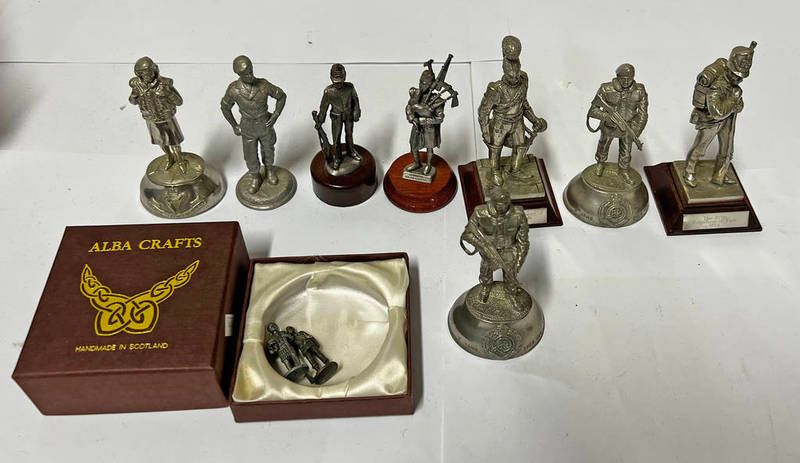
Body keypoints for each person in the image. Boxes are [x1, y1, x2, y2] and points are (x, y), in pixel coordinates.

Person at [478, 35, 547, 186]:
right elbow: (483, 111)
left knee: (521, 146)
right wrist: (485, 131)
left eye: (517, 74)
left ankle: (515, 170)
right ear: (504, 72)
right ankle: (495, 171)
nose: (515, 78)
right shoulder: (496, 89)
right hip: (500, 123)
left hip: (517, 120)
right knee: (495, 148)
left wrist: (534, 119)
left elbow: (524, 104)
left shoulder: (524, 80)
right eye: (511, 75)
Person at [684, 42, 756, 187]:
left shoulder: (735, 88)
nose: (739, 80)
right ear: (730, 70)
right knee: (700, 147)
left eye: (741, 78)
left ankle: (720, 175)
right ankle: (689, 171)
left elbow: (738, 107)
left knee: (726, 149)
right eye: (736, 76)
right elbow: (717, 111)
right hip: (710, 120)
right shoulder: (717, 85)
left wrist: (737, 104)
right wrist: (733, 99)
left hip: (728, 119)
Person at [221, 55, 287, 193]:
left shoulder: (263, 85)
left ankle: (269, 170)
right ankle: (255, 177)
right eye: (246, 73)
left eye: (251, 70)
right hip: (247, 127)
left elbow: (281, 96)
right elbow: (225, 107)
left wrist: (275, 115)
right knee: (250, 155)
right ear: (238, 74)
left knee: (268, 150)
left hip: (265, 124)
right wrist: (234, 125)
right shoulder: (234, 90)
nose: (250, 75)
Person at [460, 188, 529, 304]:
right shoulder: (480, 213)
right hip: (488, 251)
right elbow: (467, 234)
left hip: (509, 250)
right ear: (492, 202)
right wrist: (481, 246)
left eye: (506, 204)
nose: (503, 207)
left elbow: (523, 241)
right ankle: (486, 288)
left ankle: (511, 294)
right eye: (499, 204)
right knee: (486, 272)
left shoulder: (518, 214)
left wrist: (519, 262)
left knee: (511, 275)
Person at [586, 63, 649, 185]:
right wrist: (607, 117)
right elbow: (593, 110)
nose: (627, 81)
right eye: (623, 78)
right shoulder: (606, 89)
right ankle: (600, 163)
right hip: (609, 125)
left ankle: (624, 170)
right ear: (617, 76)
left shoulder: (639, 90)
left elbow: (643, 114)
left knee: (626, 150)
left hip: (629, 126)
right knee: (604, 144)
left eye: (630, 78)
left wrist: (635, 131)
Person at [128, 56, 185, 170]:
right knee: (160, 141)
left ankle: (180, 161)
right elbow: (132, 102)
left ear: (155, 70)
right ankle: (169, 157)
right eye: (145, 74)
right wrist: (134, 95)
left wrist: (168, 93)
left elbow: (179, 102)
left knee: (174, 142)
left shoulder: (165, 83)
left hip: (167, 118)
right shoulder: (137, 86)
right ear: (140, 75)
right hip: (151, 119)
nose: (149, 76)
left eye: (150, 72)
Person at [318, 64, 361, 170]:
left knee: (349, 135)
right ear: (331, 78)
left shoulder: (350, 87)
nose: (338, 84)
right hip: (336, 117)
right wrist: (320, 120)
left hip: (348, 115)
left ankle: (351, 151)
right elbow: (323, 108)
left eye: (340, 81)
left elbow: (355, 100)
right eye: (336, 81)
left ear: (345, 77)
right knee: (336, 139)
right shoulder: (328, 92)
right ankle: (337, 158)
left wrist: (356, 111)